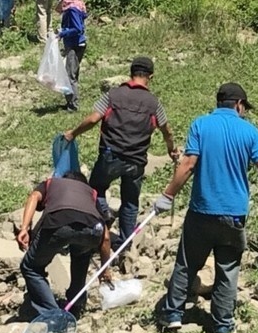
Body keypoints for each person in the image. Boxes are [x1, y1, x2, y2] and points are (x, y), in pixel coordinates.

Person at [153, 83, 258, 333]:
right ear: (239, 105)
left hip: (202, 209)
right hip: (234, 213)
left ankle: (173, 315)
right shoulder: (249, 131)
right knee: (228, 268)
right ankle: (222, 325)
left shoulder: (201, 125)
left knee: (187, 263)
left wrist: (168, 194)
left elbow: (188, 164)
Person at [64, 56, 181, 252]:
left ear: (130, 73)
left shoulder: (113, 95)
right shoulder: (153, 103)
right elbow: (166, 130)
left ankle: (103, 222)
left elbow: (93, 119)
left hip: (111, 155)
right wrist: (171, 149)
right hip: (136, 161)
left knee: (97, 189)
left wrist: (72, 133)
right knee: (130, 201)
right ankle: (125, 246)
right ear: (150, 77)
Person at [17, 170, 113, 318]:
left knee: (31, 267)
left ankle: (53, 315)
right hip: (91, 230)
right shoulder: (91, 193)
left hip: (58, 223)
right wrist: (104, 268)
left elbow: (34, 196)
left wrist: (24, 228)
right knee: (81, 257)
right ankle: (75, 306)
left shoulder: (51, 183)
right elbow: (105, 237)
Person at [56, 0, 87, 112]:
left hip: (74, 44)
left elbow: (77, 28)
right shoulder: (77, 5)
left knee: (70, 75)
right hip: (77, 43)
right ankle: (70, 100)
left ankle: (73, 105)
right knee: (72, 73)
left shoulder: (72, 8)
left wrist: (62, 33)